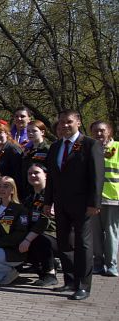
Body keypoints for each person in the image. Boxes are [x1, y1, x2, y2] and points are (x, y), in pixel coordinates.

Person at [45, 110, 104, 301]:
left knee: (83, 244)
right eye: (62, 122)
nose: (64, 125)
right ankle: (70, 281)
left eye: (69, 122)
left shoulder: (90, 145)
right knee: (64, 243)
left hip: (83, 204)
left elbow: (97, 176)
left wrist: (94, 203)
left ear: (78, 122)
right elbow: (52, 177)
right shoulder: (55, 146)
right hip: (61, 203)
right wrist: (47, 201)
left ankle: (83, 286)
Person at [21, 163, 59, 287]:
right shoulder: (30, 196)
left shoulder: (52, 195)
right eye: (29, 173)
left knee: (38, 239)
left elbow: (44, 221)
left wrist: (27, 239)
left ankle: (50, 274)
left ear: (46, 175)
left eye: (36, 173)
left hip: (53, 236)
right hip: (34, 233)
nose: (32, 175)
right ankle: (40, 266)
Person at [90, 120, 118, 277]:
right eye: (95, 131)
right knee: (95, 234)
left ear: (109, 131)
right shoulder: (90, 149)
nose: (98, 134)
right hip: (94, 199)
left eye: (102, 130)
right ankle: (98, 263)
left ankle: (112, 265)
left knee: (111, 233)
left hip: (113, 199)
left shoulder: (117, 148)